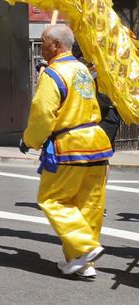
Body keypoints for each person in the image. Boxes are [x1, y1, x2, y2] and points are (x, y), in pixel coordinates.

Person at [20, 24, 112, 278]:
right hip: (96, 142)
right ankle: (82, 262)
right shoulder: (82, 69)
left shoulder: (54, 73)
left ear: (57, 46)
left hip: (70, 143)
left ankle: (84, 247)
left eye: (45, 41)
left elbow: (42, 114)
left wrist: (29, 140)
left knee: (52, 200)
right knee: (89, 205)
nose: (42, 45)